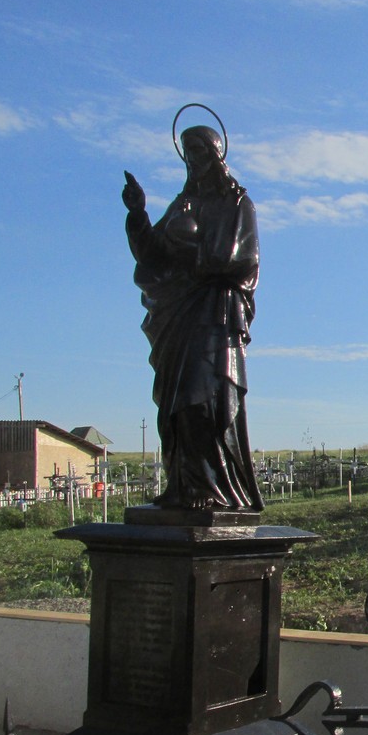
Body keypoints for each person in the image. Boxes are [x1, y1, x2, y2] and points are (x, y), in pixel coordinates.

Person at [123, 124, 263, 512]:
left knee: (202, 400)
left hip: (215, 316)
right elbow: (153, 257)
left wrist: (193, 249)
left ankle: (210, 487)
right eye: (188, 155)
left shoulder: (237, 205)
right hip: (179, 318)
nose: (194, 162)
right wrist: (138, 215)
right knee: (173, 406)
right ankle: (183, 486)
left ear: (216, 157)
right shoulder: (183, 204)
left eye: (200, 153)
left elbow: (242, 259)